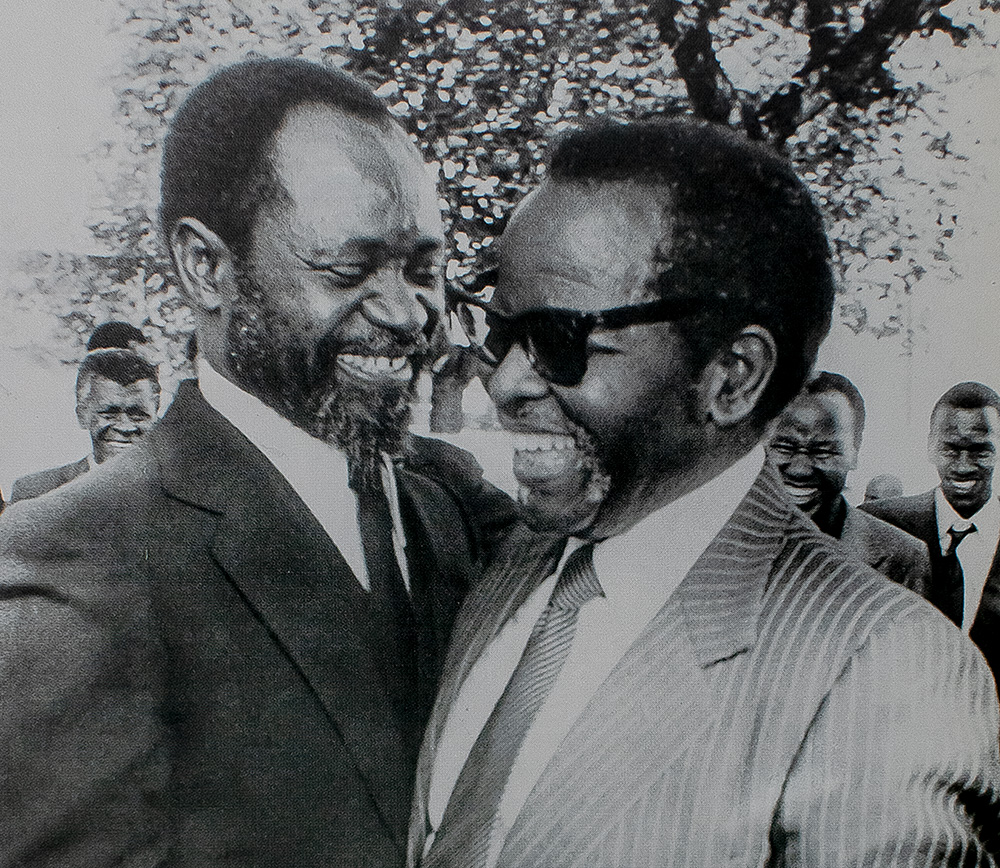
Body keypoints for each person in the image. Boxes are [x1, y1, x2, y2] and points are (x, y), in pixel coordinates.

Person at [409, 120, 1000, 868]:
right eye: (497, 331)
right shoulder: (513, 567)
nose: (503, 382)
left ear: (733, 376)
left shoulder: (887, 672)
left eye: (558, 338)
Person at [0, 58, 513, 868]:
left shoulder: (443, 515)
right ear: (206, 267)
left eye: (424, 270)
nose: (407, 313)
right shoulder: (75, 566)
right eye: (347, 271)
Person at [862, 381, 1000, 682]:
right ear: (931, 446)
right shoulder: (877, 524)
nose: (963, 466)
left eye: (980, 451)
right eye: (950, 449)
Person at [764, 371, 930, 590]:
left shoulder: (902, 558)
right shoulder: (724, 536)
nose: (800, 469)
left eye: (822, 451)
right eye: (784, 447)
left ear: (855, 452)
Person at [9, 348, 160, 502]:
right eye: (109, 414)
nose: (125, 427)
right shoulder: (37, 492)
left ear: (156, 415)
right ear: (83, 415)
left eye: (138, 415)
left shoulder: (173, 491)